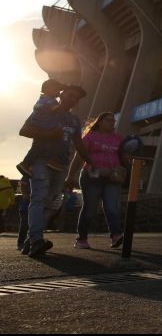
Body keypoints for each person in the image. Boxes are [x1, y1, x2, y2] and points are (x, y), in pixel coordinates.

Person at [18, 84, 93, 257]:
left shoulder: (74, 120)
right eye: (70, 94)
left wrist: (91, 161)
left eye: (76, 97)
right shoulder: (45, 110)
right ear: (61, 94)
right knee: (38, 199)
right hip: (41, 161)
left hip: (61, 165)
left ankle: (31, 240)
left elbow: (78, 143)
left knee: (49, 202)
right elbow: (24, 130)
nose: (72, 98)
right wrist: (49, 135)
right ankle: (37, 239)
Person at [66, 112, 126, 249]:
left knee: (111, 208)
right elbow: (79, 156)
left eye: (113, 121)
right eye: (108, 120)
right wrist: (70, 176)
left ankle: (116, 235)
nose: (112, 122)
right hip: (92, 176)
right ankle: (81, 239)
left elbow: (123, 157)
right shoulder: (90, 136)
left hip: (112, 177)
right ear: (99, 122)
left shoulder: (118, 139)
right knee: (89, 209)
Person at [16, 79, 67, 177]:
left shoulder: (42, 99)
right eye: (57, 90)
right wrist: (63, 98)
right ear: (48, 89)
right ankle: (28, 163)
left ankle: (27, 163)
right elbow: (59, 110)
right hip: (46, 127)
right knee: (46, 144)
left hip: (39, 126)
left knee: (36, 146)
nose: (59, 93)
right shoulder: (50, 101)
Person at [16, 177, 30, 251]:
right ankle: (21, 243)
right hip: (26, 207)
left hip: (27, 206)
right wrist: (25, 194)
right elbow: (22, 185)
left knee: (26, 225)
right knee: (24, 225)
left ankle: (26, 243)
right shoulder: (26, 176)